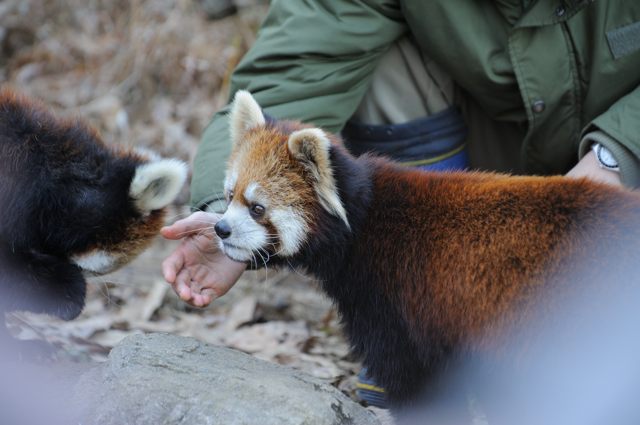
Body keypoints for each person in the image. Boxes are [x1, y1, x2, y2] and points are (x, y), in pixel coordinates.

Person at [162, 0, 640, 407]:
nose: (233, 219)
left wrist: (618, 151)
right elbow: (293, 70)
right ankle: (438, 332)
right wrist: (219, 215)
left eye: (257, 209)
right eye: (235, 203)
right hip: (488, 164)